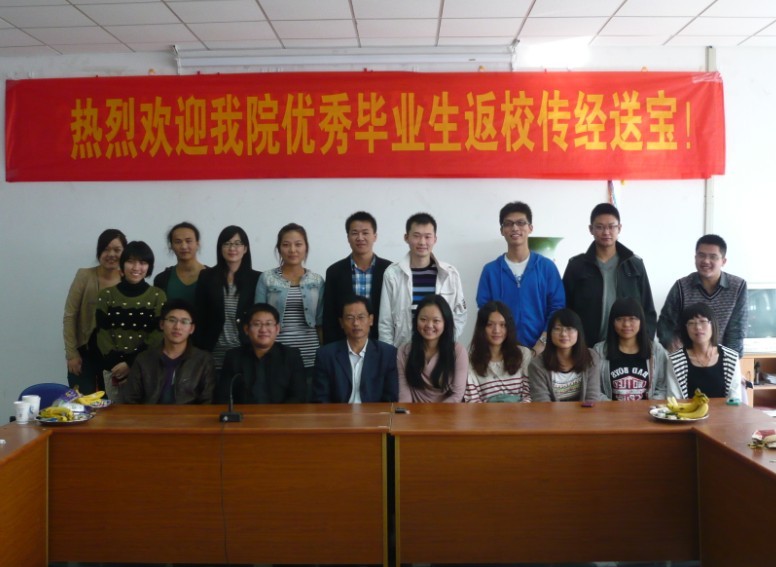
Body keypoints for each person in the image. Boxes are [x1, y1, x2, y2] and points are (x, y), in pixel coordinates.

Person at [563, 202, 656, 345]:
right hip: (586, 346)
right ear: (591, 229)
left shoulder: (635, 265)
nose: (606, 232)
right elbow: (566, 309)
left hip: (627, 346)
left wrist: (646, 342)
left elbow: (647, 309)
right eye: (600, 227)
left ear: (619, 228)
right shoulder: (576, 266)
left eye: (611, 226)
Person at [476, 201, 564, 353]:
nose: (515, 228)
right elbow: (485, 312)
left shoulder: (546, 267)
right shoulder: (490, 271)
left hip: (543, 351)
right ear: (502, 230)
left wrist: (542, 342)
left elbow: (557, 308)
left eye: (521, 223)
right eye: (508, 224)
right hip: (503, 352)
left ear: (530, 228)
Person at [255, 223, 324, 398]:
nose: (292, 250)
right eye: (286, 245)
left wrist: (323, 354)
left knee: (307, 408)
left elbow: (320, 323)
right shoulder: (267, 278)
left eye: (298, 244)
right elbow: (257, 319)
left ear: (306, 247)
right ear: (279, 248)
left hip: (310, 355)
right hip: (275, 355)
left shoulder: (317, 281)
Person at [379, 212, 467, 347]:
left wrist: (446, 342)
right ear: (406, 238)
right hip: (403, 350)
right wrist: (388, 354)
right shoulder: (392, 274)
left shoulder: (450, 274)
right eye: (416, 236)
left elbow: (460, 314)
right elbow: (385, 322)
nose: (422, 242)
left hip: (440, 351)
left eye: (427, 237)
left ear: (435, 239)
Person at [95, 241, 166, 400]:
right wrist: (117, 365)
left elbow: (157, 335)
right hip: (114, 369)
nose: (136, 267)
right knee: (117, 413)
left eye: (143, 262)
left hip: (147, 368)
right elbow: (102, 333)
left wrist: (130, 363)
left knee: (147, 413)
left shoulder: (158, 296)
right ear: (122, 264)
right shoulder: (106, 295)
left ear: (149, 267)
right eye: (131, 261)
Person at [657, 234, 748, 357]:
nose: (706, 261)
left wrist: (728, 363)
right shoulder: (681, 286)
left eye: (713, 257)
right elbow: (665, 326)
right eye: (701, 255)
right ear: (695, 258)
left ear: (723, 261)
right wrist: (678, 353)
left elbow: (736, 332)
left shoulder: (738, 286)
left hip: (722, 360)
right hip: (686, 359)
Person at [63, 228, 126, 394]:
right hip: (84, 355)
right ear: (99, 251)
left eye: (117, 250)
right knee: (82, 403)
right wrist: (71, 354)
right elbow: (70, 316)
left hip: (115, 357)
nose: (111, 254)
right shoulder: (84, 276)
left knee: (112, 404)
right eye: (106, 249)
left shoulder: (129, 280)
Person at [194, 225, 261, 374]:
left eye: (237, 243)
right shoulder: (206, 276)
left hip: (245, 352)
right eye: (227, 243)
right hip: (212, 352)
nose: (232, 248)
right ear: (220, 248)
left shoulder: (257, 279)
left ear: (245, 248)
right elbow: (199, 315)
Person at [123, 299, 215, 404]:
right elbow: (130, 400)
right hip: (150, 414)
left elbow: (207, 402)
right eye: (172, 320)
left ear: (192, 329)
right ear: (162, 324)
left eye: (184, 322)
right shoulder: (144, 359)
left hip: (189, 414)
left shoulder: (203, 361)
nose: (177, 327)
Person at [322, 211, 392, 345]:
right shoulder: (334, 272)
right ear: (348, 237)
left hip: (381, 343)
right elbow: (329, 316)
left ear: (375, 236)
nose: (360, 238)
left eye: (365, 233)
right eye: (354, 233)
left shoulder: (390, 270)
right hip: (344, 344)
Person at [313, 295, 398, 403]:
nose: (356, 323)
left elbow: (390, 398)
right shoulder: (326, 355)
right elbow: (320, 399)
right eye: (350, 318)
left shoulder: (387, 354)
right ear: (341, 323)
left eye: (361, 317)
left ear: (371, 320)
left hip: (374, 412)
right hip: (338, 413)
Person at [217, 303, 306, 404]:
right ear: (246, 329)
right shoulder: (233, 357)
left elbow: (298, 396)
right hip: (242, 413)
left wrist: (277, 413)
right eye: (257, 324)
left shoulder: (291, 356)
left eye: (268, 324)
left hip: (281, 413)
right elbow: (224, 397)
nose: (263, 330)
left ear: (277, 329)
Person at [594, 297, 679, 401]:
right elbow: (594, 390)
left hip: (648, 410)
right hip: (610, 410)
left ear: (641, 321)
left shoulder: (657, 350)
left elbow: (663, 388)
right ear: (612, 322)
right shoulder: (599, 351)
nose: (626, 324)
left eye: (632, 318)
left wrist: (647, 407)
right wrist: (613, 408)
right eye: (619, 319)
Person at [398, 294, 468, 403]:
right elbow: (404, 396)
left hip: (447, 411)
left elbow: (457, 395)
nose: (429, 325)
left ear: (445, 323)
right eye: (423, 319)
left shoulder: (458, 351)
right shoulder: (403, 352)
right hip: (414, 412)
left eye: (436, 320)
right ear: (416, 321)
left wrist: (437, 413)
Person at [668, 302, 744, 401]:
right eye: (691, 323)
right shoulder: (676, 360)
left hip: (725, 411)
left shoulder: (731, 358)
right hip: (687, 411)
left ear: (713, 325)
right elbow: (674, 400)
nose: (698, 327)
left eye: (703, 321)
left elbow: (735, 400)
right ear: (685, 329)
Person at [528, 308, 604, 402]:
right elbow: (542, 403)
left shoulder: (591, 357)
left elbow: (592, 397)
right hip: (549, 411)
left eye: (569, 328)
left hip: (585, 411)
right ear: (550, 333)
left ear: (578, 332)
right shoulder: (537, 365)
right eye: (557, 329)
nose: (563, 334)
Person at [465, 301, 533, 403]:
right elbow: (473, 401)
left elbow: (529, 395)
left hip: (520, 412)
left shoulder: (523, 354)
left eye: (502, 325)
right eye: (490, 325)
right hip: (484, 413)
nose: (496, 330)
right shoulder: (469, 359)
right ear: (482, 328)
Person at [153, 221, 206, 305]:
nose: (184, 246)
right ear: (171, 246)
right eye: (178, 242)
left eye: (188, 241)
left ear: (197, 244)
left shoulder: (214, 277)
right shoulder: (162, 279)